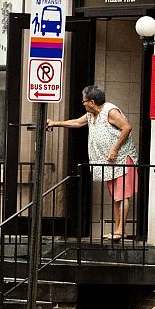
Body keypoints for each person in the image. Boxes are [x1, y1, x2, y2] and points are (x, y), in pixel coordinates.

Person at [46, 85, 139, 240]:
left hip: (123, 159)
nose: (83, 103)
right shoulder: (91, 114)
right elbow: (77, 122)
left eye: (84, 101)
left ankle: (120, 231)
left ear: (92, 102)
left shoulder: (110, 111)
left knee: (122, 196)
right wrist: (55, 123)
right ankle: (117, 230)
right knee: (116, 197)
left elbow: (127, 128)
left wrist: (115, 149)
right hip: (111, 163)